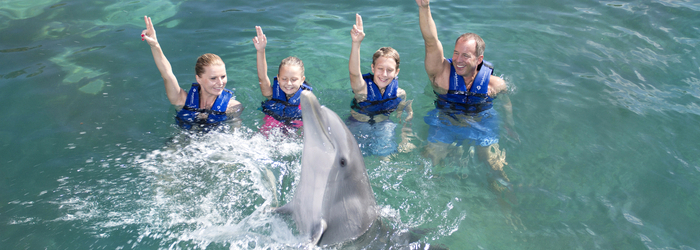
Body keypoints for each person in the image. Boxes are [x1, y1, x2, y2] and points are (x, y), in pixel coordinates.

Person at [415, 0, 519, 184]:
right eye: (456, 53)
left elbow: (506, 101)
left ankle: (507, 204)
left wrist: (509, 124)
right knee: (427, 163)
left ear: (479, 59)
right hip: (446, 121)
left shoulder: (495, 85)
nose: (458, 60)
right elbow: (431, 41)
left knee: (495, 169)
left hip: (481, 123)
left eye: (465, 55)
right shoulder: (441, 75)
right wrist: (424, 8)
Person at [141, 16, 243, 132]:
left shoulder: (232, 107)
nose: (220, 83)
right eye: (213, 78)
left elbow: (235, 136)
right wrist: (155, 46)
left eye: (223, 76)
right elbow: (167, 74)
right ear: (198, 79)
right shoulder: (182, 100)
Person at [347, 14, 415, 158]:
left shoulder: (400, 94)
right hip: (359, 123)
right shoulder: (363, 89)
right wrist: (356, 44)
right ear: (372, 68)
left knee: (386, 151)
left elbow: (405, 116)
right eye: (380, 69)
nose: (384, 74)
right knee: (352, 156)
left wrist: (405, 138)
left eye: (390, 70)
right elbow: (354, 73)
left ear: (397, 72)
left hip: (383, 124)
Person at [252, 26, 312, 136]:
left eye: (294, 79)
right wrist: (261, 50)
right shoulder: (271, 94)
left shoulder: (306, 101)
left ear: (302, 80)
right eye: (284, 79)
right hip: (269, 132)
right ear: (278, 78)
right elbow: (262, 77)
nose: (288, 83)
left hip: (294, 132)